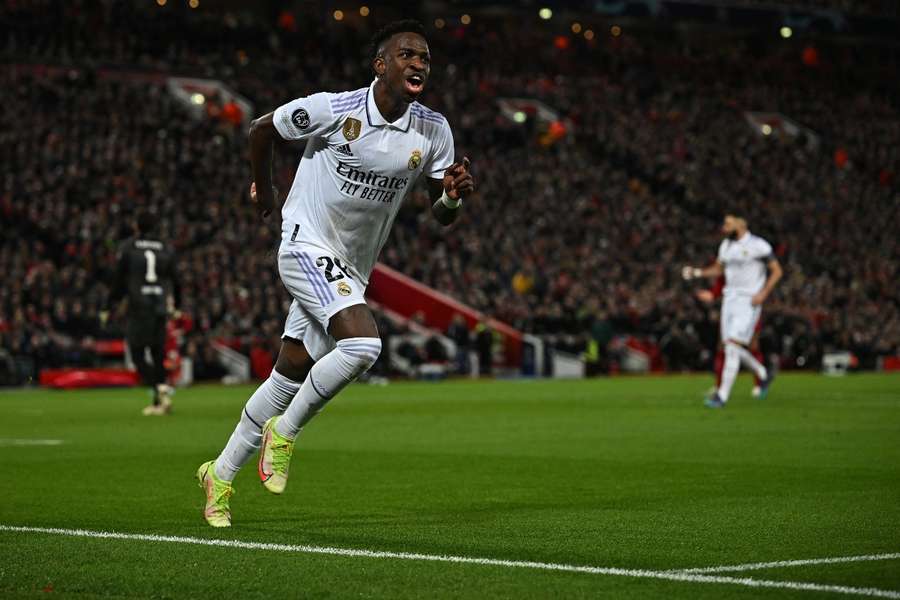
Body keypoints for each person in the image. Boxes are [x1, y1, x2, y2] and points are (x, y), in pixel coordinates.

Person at [196, 20, 475, 527]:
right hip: (304, 244)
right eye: (407, 54)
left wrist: (451, 196)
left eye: (425, 58)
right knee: (364, 347)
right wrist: (266, 190)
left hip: (352, 267)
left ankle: (219, 475)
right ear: (381, 65)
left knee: (287, 376)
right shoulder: (335, 109)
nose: (419, 64)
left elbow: (442, 215)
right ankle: (286, 434)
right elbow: (263, 129)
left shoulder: (433, 129)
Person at [682, 214, 782, 408]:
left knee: (733, 345)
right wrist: (697, 272)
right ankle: (763, 372)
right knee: (729, 346)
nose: (724, 227)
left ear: (741, 224)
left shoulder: (758, 245)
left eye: (728, 223)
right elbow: (719, 270)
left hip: (749, 301)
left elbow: (777, 270)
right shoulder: (726, 246)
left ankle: (722, 396)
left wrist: (764, 293)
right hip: (729, 300)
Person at [106, 210, 178, 415]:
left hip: (139, 306)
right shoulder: (165, 247)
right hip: (160, 306)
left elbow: (119, 279)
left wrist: (108, 304)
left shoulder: (129, 246)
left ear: (137, 226)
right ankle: (159, 400)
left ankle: (159, 389)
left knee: (137, 353)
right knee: (157, 353)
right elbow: (176, 279)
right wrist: (177, 305)